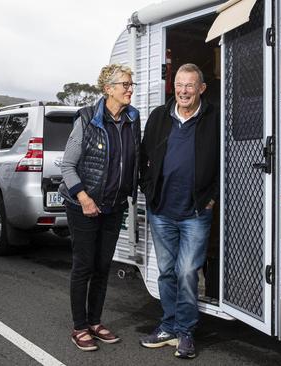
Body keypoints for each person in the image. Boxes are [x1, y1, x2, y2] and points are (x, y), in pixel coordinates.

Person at [138, 63, 219, 359]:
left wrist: (213, 197)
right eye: (179, 85)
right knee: (166, 271)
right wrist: (148, 190)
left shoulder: (214, 118)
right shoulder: (160, 116)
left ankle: (185, 332)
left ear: (201, 89)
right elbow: (144, 156)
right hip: (161, 210)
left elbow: (226, 159)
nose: (183, 91)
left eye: (190, 86)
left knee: (186, 272)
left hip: (196, 212)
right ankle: (168, 326)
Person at [59, 64, 140, 351]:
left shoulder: (133, 118)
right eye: (125, 85)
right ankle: (79, 327)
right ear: (108, 89)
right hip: (82, 204)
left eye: (131, 84)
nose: (130, 89)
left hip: (113, 206)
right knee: (84, 265)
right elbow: (68, 166)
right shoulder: (86, 119)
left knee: (103, 266)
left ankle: (95, 322)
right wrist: (84, 198)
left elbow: (133, 159)